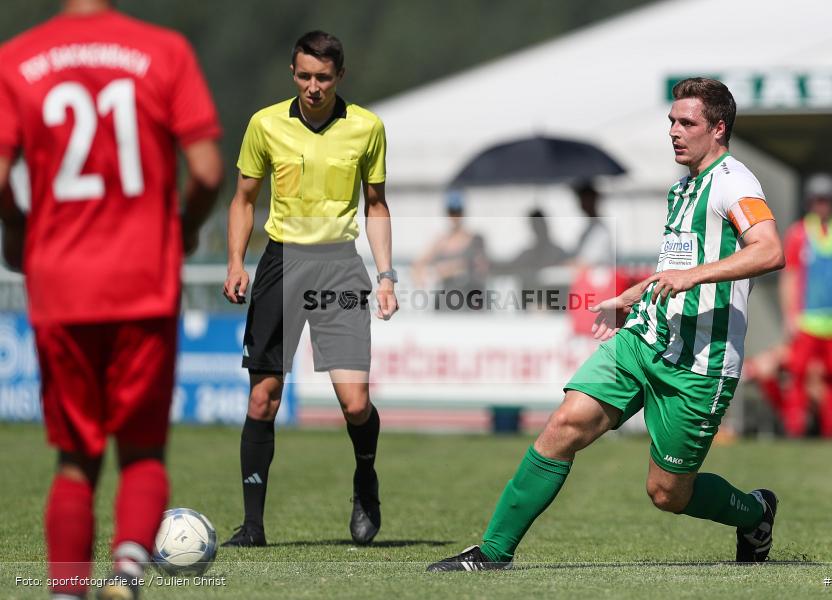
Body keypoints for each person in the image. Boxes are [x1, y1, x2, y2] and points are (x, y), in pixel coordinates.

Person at [427, 77, 785, 571]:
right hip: (644, 340)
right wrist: (638, 295)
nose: (674, 131)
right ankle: (492, 552)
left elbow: (769, 251)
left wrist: (691, 276)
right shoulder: (683, 187)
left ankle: (755, 513)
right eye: (672, 122)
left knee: (667, 493)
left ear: (718, 128)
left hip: (699, 365)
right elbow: (680, 264)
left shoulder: (734, 182)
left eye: (687, 123)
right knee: (564, 425)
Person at [0, 1, 223, 598]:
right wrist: (183, 229)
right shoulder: (164, 51)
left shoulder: (15, 60)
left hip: (61, 283)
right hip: (142, 279)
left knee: (76, 460)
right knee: (142, 452)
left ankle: (66, 591)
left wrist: (18, 229)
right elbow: (206, 171)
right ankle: (125, 570)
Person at [222, 30, 397, 548]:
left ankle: (365, 480)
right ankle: (253, 527)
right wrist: (236, 262)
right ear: (292, 73)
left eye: (323, 77)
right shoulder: (265, 124)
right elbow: (243, 199)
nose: (313, 87)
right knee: (263, 399)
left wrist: (386, 275)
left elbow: (376, 205)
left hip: (340, 268)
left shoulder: (367, 127)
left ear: (339, 76)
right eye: (304, 76)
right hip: (282, 263)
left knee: (355, 403)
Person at [780, 174, 832, 438]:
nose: (822, 205)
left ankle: (831, 432)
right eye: (817, 199)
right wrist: (789, 316)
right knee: (797, 374)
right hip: (806, 320)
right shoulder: (798, 233)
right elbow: (790, 277)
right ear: (809, 202)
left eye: (826, 199)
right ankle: (795, 429)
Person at [411, 190, 488, 310]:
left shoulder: (475, 240)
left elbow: (480, 267)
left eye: (458, 212)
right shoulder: (440, 241)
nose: (455, 217)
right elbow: (419, 264)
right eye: (452, 212)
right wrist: (422, 275)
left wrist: (448, 269)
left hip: (469, 302)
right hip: (446, 303)